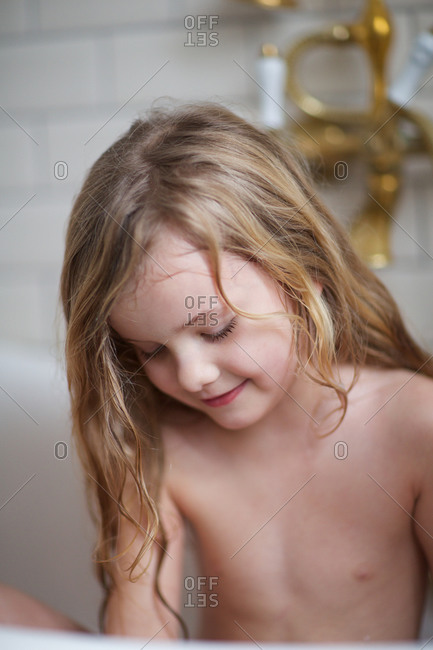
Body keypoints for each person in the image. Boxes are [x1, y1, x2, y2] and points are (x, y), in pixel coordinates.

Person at [1, 101, 433, 642]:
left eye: (217, 329)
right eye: (152, 351)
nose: (194, 375)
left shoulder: (413, 426)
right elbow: (139, 639)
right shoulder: (166, 446)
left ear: (307, 276)